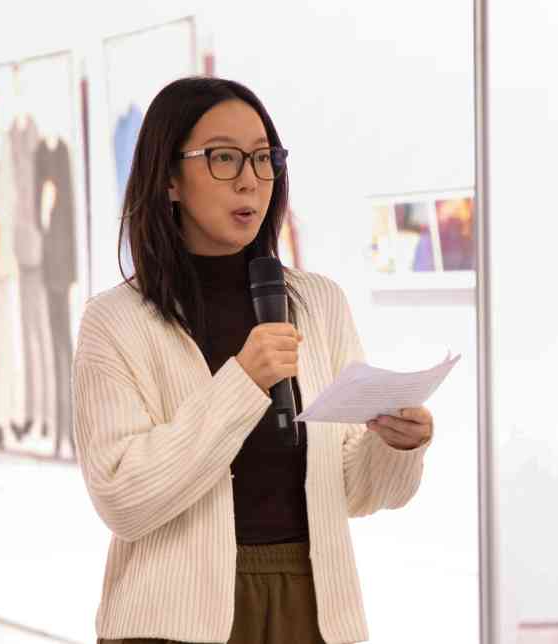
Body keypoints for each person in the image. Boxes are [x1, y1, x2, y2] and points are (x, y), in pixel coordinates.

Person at [72, 77, 434, 644]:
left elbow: (354, 490)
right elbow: (123, 498)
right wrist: (243, 382)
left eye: (264, 158)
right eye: (224, 157)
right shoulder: (116, 321)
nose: (250, 178)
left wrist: (395, 444)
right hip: (171, 622)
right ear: (169, 179)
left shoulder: (319, 303)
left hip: (310, 607)